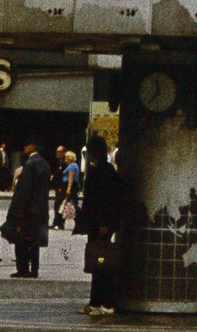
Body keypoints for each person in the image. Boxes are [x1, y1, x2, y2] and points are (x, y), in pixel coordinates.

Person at [76, 133, 121, 317]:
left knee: (101, 264)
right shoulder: (108, 171)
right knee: (99, 262)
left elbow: (105, 200)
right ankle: (96, 301)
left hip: (100, 224)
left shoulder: (100, 172)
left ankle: (106, 302)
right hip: (100, 223)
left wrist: (104, 223)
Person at [4, 139, 52, 278]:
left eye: (26, 145)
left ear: (31, 147)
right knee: (35, 240)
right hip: (41, 208)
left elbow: (23, 190)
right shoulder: (45, 164)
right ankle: (34, 268)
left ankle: (23, 267)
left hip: (27, 210)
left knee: (22, 240)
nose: (24, 148)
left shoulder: (29, 164)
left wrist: (16, 211)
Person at [56, 150, 79, 229]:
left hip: (69, 186)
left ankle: (60, 222)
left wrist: (68, 188)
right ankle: (61, 222)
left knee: (66, 204)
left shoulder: (72, 166)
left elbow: (71, 178)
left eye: (66, 158)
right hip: (73, 186)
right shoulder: (74, 165)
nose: (65, 160)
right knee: (71, 204)